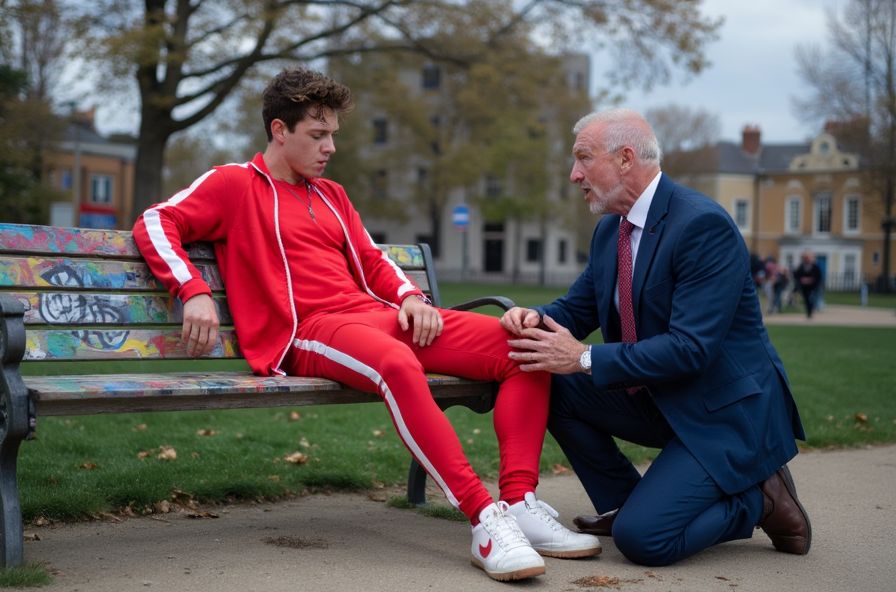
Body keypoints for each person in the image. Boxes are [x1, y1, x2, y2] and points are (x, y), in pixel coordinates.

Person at [132, 67, 599, 582]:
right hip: (307, 332)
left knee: (522, 345)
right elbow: (156, 221)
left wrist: (412, 298)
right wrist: (194, 292)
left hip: (372, 319)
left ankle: (519, 504)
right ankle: (484, 519)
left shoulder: (331, 194)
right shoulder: (234, 185)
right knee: (398, 364)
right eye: (317, 134)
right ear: (279, 131)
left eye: (333, 134)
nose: (330, 146)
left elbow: (373, 260)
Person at [499, 108, 811, 567]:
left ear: (626, 159)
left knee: (645, 541)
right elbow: (578, 308)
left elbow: (691, 348)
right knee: (554, 381)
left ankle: (759, 498)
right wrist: (533, 318)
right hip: (663, 398)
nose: (574, 175)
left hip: (725, 413)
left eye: (583, 159)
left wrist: (584, 357)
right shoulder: (611, 230)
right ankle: (625, 502)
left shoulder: (703, 226)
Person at [793, 251, 823, 318]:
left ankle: (811, 311)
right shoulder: (801, 266)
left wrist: (812, 280)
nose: (807, 259)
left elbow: (819, 277)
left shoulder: (815, 267)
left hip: (813, 287)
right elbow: (796, 275)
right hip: (804, 287)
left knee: (812, 299)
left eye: (808, 257)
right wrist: (801, 280)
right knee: (806, 300)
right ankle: (808, 313)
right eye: (805, 258)